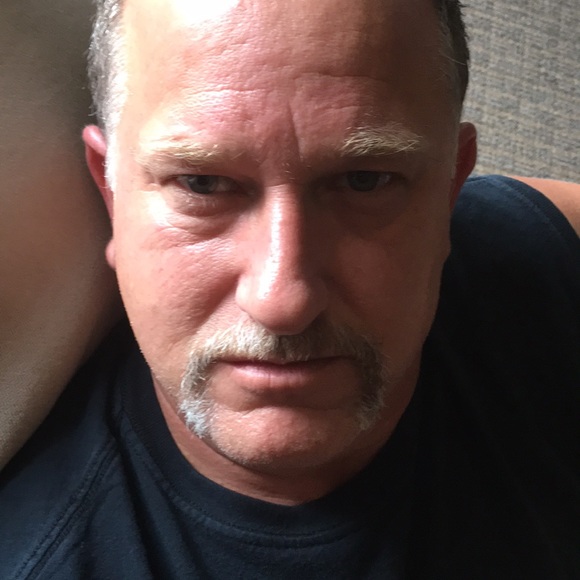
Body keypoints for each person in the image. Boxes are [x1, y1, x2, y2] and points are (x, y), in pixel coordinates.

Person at [1, 0, 579, 577]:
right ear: (112, 193)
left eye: (363, 181)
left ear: (449, 189)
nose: (283, 301)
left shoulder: (528, 253)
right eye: (202, 184)